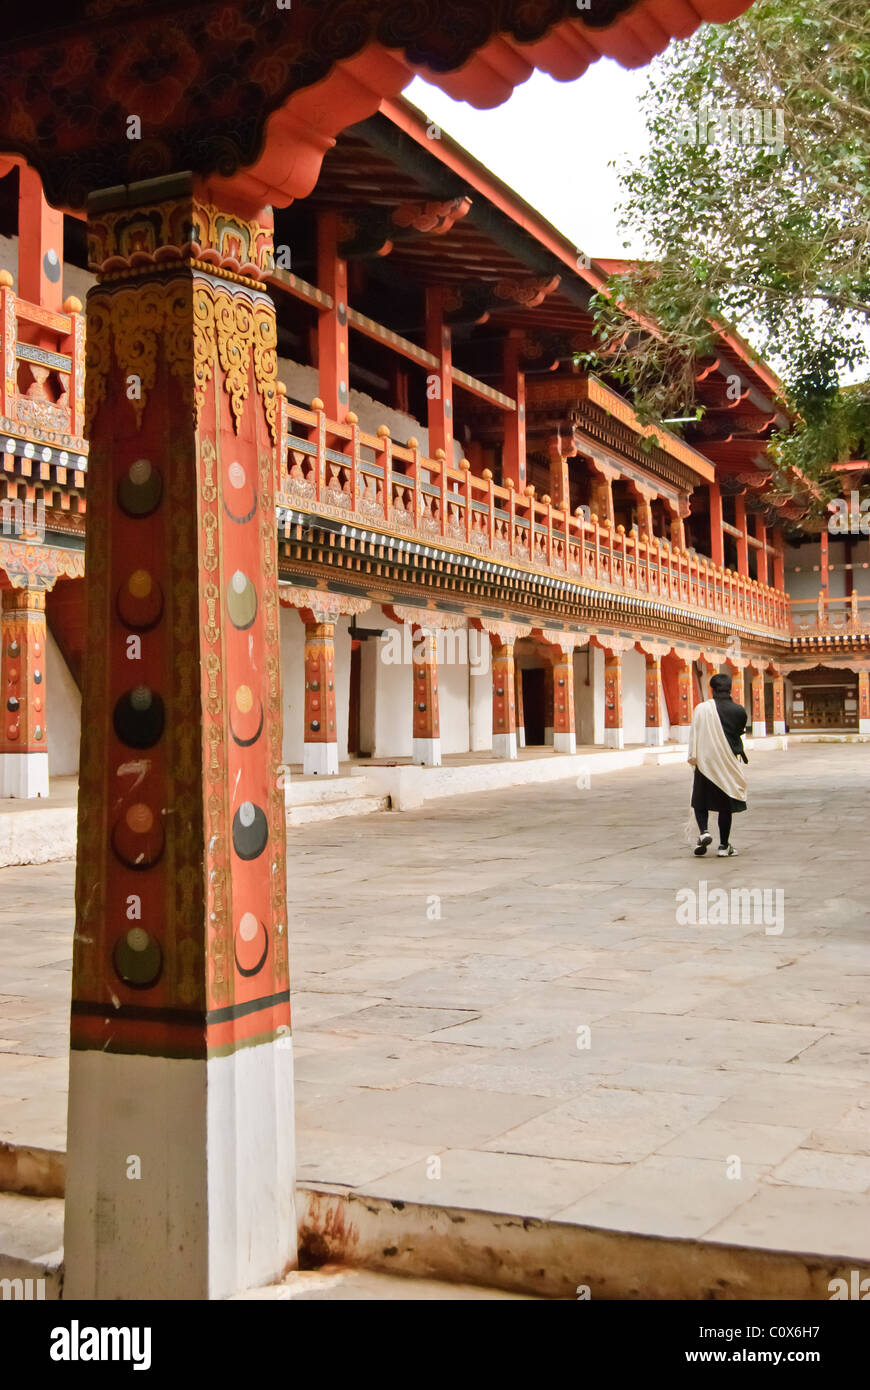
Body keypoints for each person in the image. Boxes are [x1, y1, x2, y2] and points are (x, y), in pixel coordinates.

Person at [687, 672, 748, 857]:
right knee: (725, 805)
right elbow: (737, 733)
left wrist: (694, 756)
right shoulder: (739, 711)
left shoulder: (702, 709)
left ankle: (704, 831)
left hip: (706, 761)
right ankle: (724, 846)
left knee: (700, 801)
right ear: (731, 689)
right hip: (728, 761)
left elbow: (695, 733)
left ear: (712, 689)